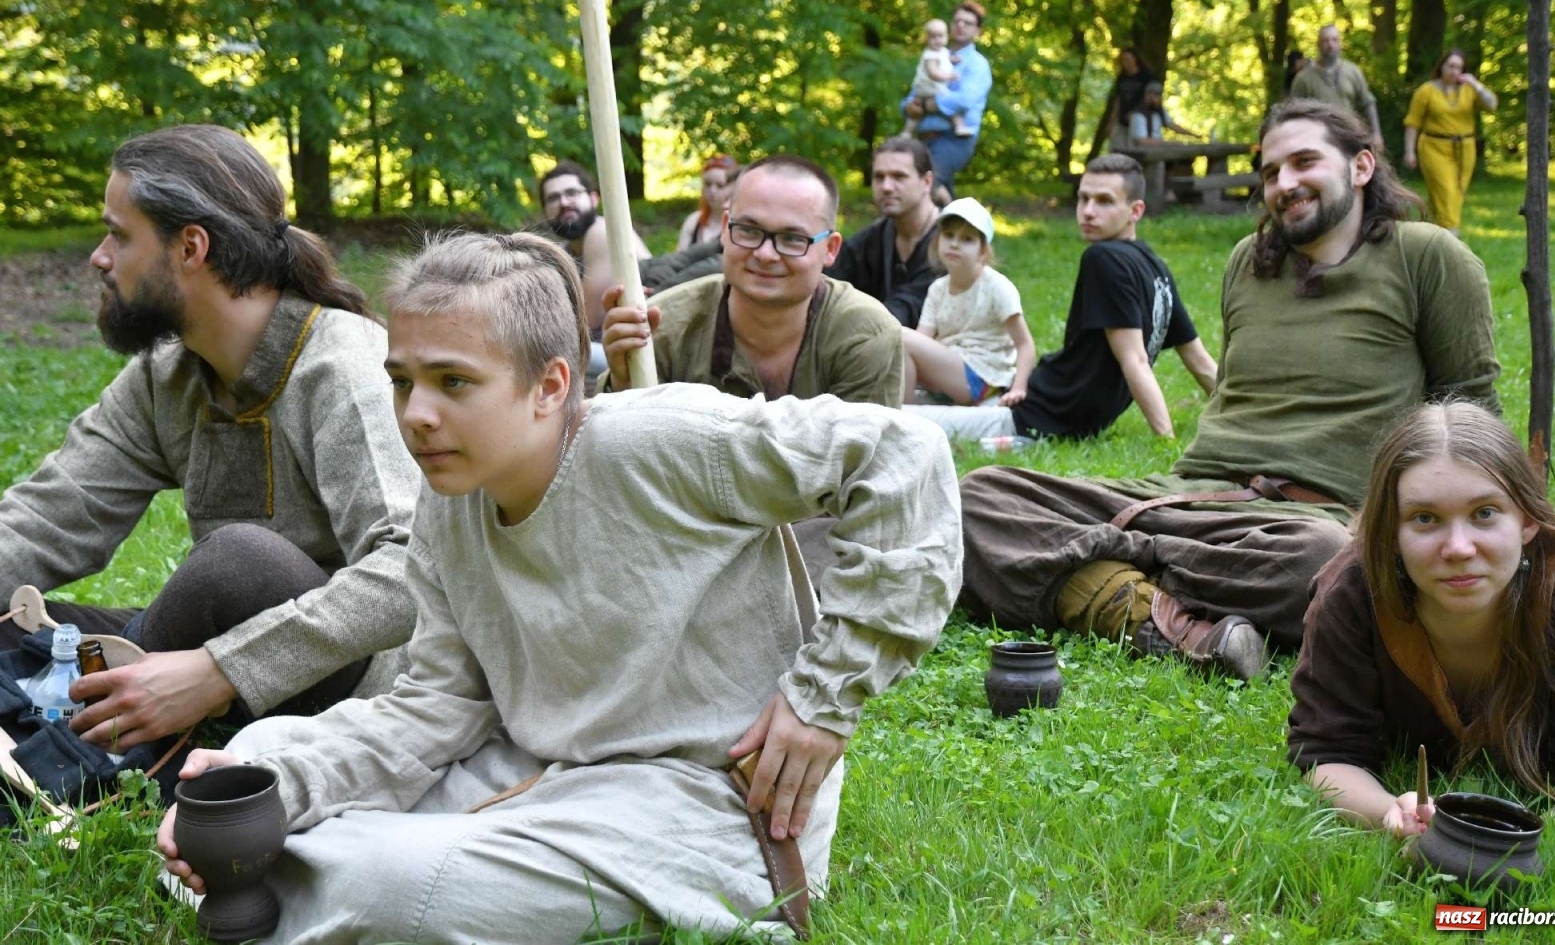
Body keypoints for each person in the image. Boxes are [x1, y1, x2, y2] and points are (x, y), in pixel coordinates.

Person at [157, 232, 962, 944]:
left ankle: (276, 880)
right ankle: (263, 859)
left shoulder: (663, 440)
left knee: (392, 883)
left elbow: (906, 456)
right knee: (259, 760)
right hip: (538, 769)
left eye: (454, 382)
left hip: (708, 802)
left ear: (549, 385)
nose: (418, 415)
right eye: (403, 382)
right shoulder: (448, 505)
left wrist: (824, 699)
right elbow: (436, 706)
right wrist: (284, 785)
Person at [958, 99, 1501, 681]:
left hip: (1307, 519)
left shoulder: (1427, 257)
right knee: (976, 497)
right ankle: (1158, 616)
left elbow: (1471, 415)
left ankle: (1114, 588)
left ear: (1361, 167)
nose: (1284, 184)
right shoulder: (1248, 262)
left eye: (1304, 162)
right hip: (1187, 496)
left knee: (1330, 566)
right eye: (1270, 172)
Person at [0, 125, 420, 750]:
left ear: (191, 247)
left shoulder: (345, 366)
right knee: (9, 627)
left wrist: (219, 669)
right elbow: (48, 517)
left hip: (358, 693)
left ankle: (69, 748)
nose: (99, 256)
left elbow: (411, 569)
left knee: (237, 563)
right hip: (207, 652)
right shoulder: (163, 375)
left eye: (119, 233)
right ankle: (75, 723)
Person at [1289, 401, 1555, 838]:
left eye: (1485, 513)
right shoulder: (1354, 593)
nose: (1458, 548)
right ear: (1390, 532)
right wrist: (1390, 815)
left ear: (1527, 520)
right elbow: (1327, 753)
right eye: (1425, 518)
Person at [909, 154, 1215, 442]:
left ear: (1135, 210)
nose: (1089, 211)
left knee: (900, 417)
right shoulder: (1155, 266)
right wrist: (1238, 413)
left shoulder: (1104, 258)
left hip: (1031, 416)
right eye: (1084, 198)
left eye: (1104, 201)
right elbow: (1199, 360)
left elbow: (1135, 358)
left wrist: (1167, 442)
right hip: (1034, 397)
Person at [601, 155, 903, 407]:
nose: (765, 253)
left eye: (792, 238)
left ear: (831, 249)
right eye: (748, 230)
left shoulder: (865, 336)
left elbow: (862, 466)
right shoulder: (659, 329)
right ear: (724, 228)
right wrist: (623, 386)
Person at [900, 197, 1035, 407]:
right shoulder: (937, 289)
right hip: (950, 373)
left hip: (982, 377)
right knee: (899, 345)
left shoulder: (997, 287)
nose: (954, 244)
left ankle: (904, 417)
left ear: (983, 250)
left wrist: (1018, 387)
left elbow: (1025, 344)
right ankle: (903, 411)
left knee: (901, 337)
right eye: (949, 235)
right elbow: (922, 339)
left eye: (967, 239)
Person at [826, 136, 942, 327]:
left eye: (899, 176)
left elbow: (908, 308)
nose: (886, 187)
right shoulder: (870, 240)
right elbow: (825, 284)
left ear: (927, 182)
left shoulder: (954, 243)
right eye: (879, 177)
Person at [536, 160, 652, 334]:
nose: (564, 202)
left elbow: (587, 321)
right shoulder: (564, 252)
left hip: (648, 336)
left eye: (572, 193)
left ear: (593, 199)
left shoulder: (602, 231)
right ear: (545, 211)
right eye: (553, 198)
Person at [901, 0, 992, 193]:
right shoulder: (934, 55)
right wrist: (908, 106)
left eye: (967, 23)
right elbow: (916, 91)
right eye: (956, 21)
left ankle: (950, 208)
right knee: (935, 200)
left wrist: (926, 106)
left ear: (978, 31)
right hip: (923, 137)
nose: (960, 26)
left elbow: (964, 100)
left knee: (922, 190)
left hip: (954, 140)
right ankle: (952, 213)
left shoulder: (977, 64)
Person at [1403, 49, 1498, 235]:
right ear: (1442, 67)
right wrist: (1409, 151)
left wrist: (1476, 84)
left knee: (1456, 194)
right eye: (1451, 66)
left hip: (1465, 149)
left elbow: (1492, 105)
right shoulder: (1426, 91)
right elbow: (1412, 123)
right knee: (1446, 191)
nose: (1454, 71)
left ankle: (1432, 234)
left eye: (1459, 68)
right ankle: (1452, 236)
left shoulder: (1469, 90)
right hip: (1434, 147)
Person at [1291, 25, 1381, 142]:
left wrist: (1376, 134)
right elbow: (1295, 114)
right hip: (1318, 139)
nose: (1330, 45)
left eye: (1334, 40)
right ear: (1318, 44)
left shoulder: (1353, 71)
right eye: (1325, 41)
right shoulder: (1304, 78)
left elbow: (1368, 103)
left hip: (1350, 135)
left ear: (1340, 43)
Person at [901, 19, 965, 137]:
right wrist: (949, 76)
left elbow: (945, 59)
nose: (937, 40)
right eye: (932, 37)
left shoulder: (943, 51)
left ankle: (907, 132)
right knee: (951, 103)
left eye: (940, 36)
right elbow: (933, 73)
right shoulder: (930, 55)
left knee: (918, 110)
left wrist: (953, 59)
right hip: (928, 87)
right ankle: (959, 126)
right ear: (926, 39)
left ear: (946, 36)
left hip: (926, 88)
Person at [676, 154, 739, 250]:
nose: (712, 191)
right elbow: (678, 260)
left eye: (720, 185)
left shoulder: (740, 226)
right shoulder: (693, 221)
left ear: (734, 188)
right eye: (708, 184)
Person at [1109, 47, 1158, 151]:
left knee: (1134, 151)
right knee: (1117, 150)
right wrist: (1112, 119)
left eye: (1128, 60)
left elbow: (1151, 99)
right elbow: (1118, 99)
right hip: (1122, 122)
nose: (1125, 63)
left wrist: (1136, 112)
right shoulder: (1121, 77)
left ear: (1135, 59)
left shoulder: (1146, 76)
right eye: (1123, 60)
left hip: (1140, 123)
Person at [1128, 81, 1200, 146]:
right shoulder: (1138, 115)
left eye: (1157, 95)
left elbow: (1172, 125)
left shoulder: (1159, 112)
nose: (1154, 98)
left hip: (1157, 152)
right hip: (1142, 155)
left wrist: (1193, 135)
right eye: (1151, 95)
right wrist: (1169, 144)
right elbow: (1142, 142)